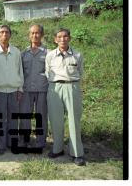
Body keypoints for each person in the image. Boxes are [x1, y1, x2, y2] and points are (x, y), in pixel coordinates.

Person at [45, 28, 85, 166]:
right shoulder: (50, 55)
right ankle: (58, 149)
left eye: (65, 36)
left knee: (74, 120)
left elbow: (80, 71)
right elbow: (47, 72)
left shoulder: (77, 55)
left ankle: (77, 153)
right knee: (55, 120)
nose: (63, 39)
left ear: (69, 38)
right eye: (59, 37)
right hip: (54, 88)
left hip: (72, 86)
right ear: (55, 39)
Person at [0, 25, 24, 155]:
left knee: (13, 119)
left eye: (7, 32)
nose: (4, 35)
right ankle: (1, 145)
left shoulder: (16, 51)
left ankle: (12, 143)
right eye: (1, 32)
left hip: (14, 90)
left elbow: (20, 71)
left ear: (10, 35)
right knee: (0, 119)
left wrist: (20, 88)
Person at [19, 24, 48, 151]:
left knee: (41, 116)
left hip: (43, 90)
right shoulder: (23, 53)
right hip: (26, 90)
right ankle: (24, 140)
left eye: (37, 33)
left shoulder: (49, 53)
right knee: (25, 116)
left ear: (42, 35)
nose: (34, 35)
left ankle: (40, 142)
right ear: (29, 35)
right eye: (32, 33)